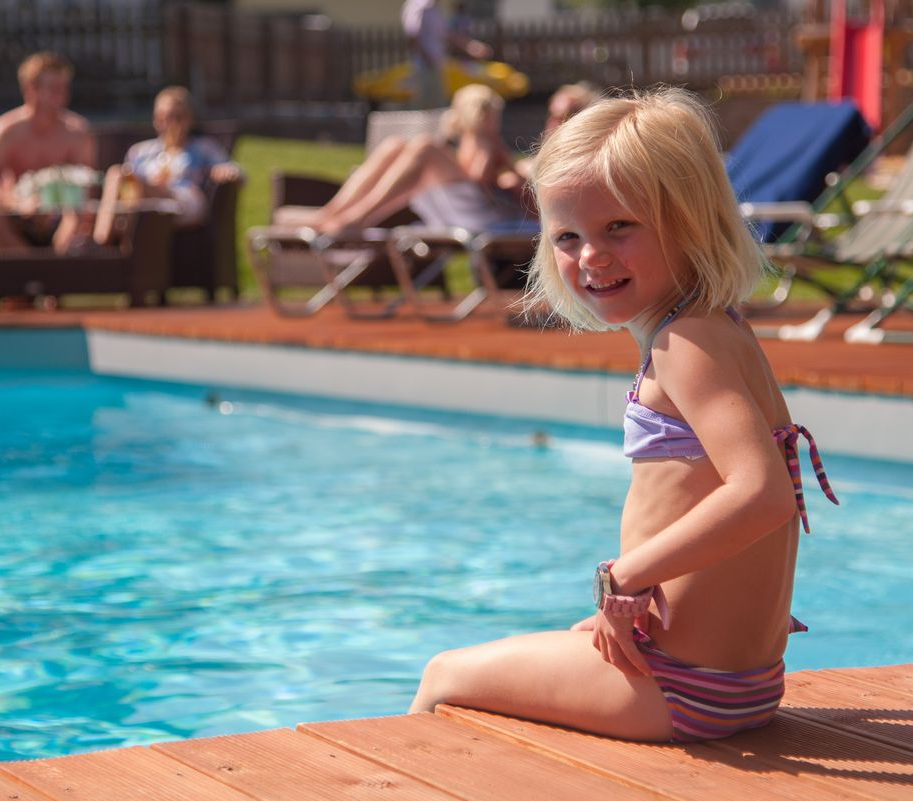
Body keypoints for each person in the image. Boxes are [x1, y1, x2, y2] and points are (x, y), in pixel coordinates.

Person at [408, 87, 839, 744]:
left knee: (443, 674)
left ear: (689, 221)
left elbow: (762, 494)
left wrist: (621, 578)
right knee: (559, 645)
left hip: (678, 688)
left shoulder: (683, 346)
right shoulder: (718, 328)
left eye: (619, 227)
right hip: (741, 684)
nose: (592, 256)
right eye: (568, 236)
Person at [286, 84, 532, 235]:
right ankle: (332, 212)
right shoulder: (471, 141)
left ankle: (359, 217)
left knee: (425, 147)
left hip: (478, 209)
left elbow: (492, 180)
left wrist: (507, 174)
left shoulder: (492, 143)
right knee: (394, 146)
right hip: (456, 203)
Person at [0, 51, 95, 254]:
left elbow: (86, 185)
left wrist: (55, 205)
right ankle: (27, 269)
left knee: (78, 212)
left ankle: (56, 265)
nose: (62, 95)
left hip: (60, 214)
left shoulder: (77, 132)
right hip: (16, 211)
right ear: (31, 88)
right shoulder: (4, 131)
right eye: (54, 88)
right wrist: (17, 204)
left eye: (64, 88)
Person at [93, 86, 241, 246]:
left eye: (176, 117)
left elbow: (236, 172)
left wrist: (225, 171)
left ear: (190, 118)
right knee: (117, 176)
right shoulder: (140, 151)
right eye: (161, 117)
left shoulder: (203, 147)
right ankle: (109, 237)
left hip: (182, 200)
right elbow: (125, 191)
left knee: (120, 177)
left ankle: (100, 243)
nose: (168, 123)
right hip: (142, 206)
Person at [401, 0, 492, 109]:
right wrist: (428, 58)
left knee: (437, 105)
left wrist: (471, 46)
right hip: (424, 68)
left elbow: (447, 34)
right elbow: (413, 37)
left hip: (437, 65)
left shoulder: (435, 9)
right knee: (422, 107)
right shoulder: (418, 6)